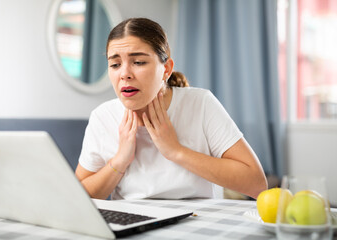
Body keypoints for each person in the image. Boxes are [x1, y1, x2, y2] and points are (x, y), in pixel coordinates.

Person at [75, 17, 267, 200]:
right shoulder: (103, 117)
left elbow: (257, 184)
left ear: (166, 69)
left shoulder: (200, 103)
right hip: (134, 224)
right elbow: (78, 195)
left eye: (139, 62)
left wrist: (175, 151)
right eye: (115, 64)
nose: (124, 74)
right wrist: (119, 161)